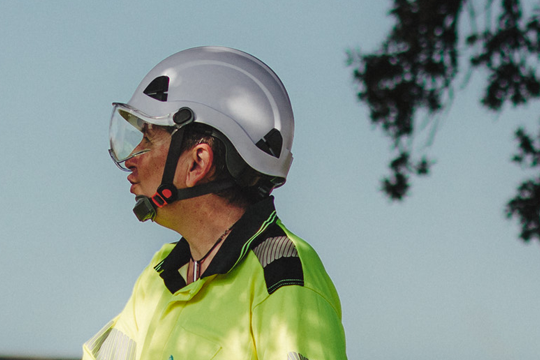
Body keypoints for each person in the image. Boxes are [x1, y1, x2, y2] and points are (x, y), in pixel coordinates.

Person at [83, 47, 345, 360]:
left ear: (198, 163)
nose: (131, 161)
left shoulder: (282, 271)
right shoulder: (160, 274)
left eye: (148, 140)